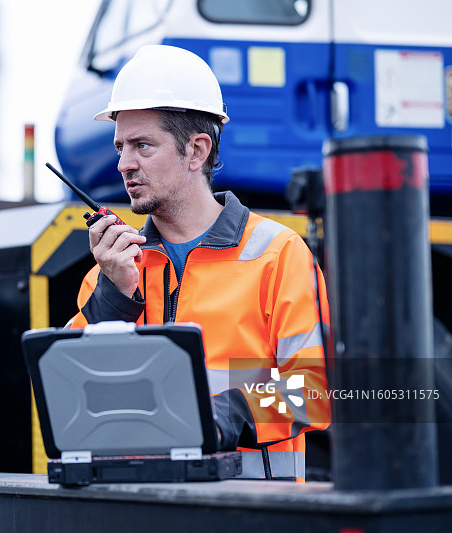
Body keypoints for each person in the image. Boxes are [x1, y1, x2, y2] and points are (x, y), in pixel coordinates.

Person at [67, 45, 330, 482]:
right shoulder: (110, 272)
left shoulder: (277, 254)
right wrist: (113, 300)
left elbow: (315, 392)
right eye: (120, 147)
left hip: (252, 514)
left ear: (196, 150)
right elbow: (72, 400)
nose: (123, 164)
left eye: (142, 146)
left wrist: (223, 416)